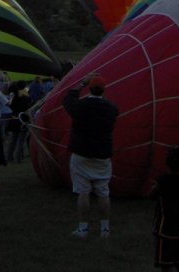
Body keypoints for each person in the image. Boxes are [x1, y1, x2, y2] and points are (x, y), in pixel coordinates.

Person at [63, 74, 119, 239]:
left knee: (83, 192)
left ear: (89, 88)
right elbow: (115, 111)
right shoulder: (111, 108)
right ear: (104, 89)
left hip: (81, 154)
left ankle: (83, 228)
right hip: (102, 155)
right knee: (103, 192)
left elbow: (67, 99)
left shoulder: (80, 106)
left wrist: (81, 83)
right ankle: (105, 229)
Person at [150, 147, 179, 272]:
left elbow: (151, 195)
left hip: (164, 228)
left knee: (166, 263)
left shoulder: (162, 181)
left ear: (167, 164)